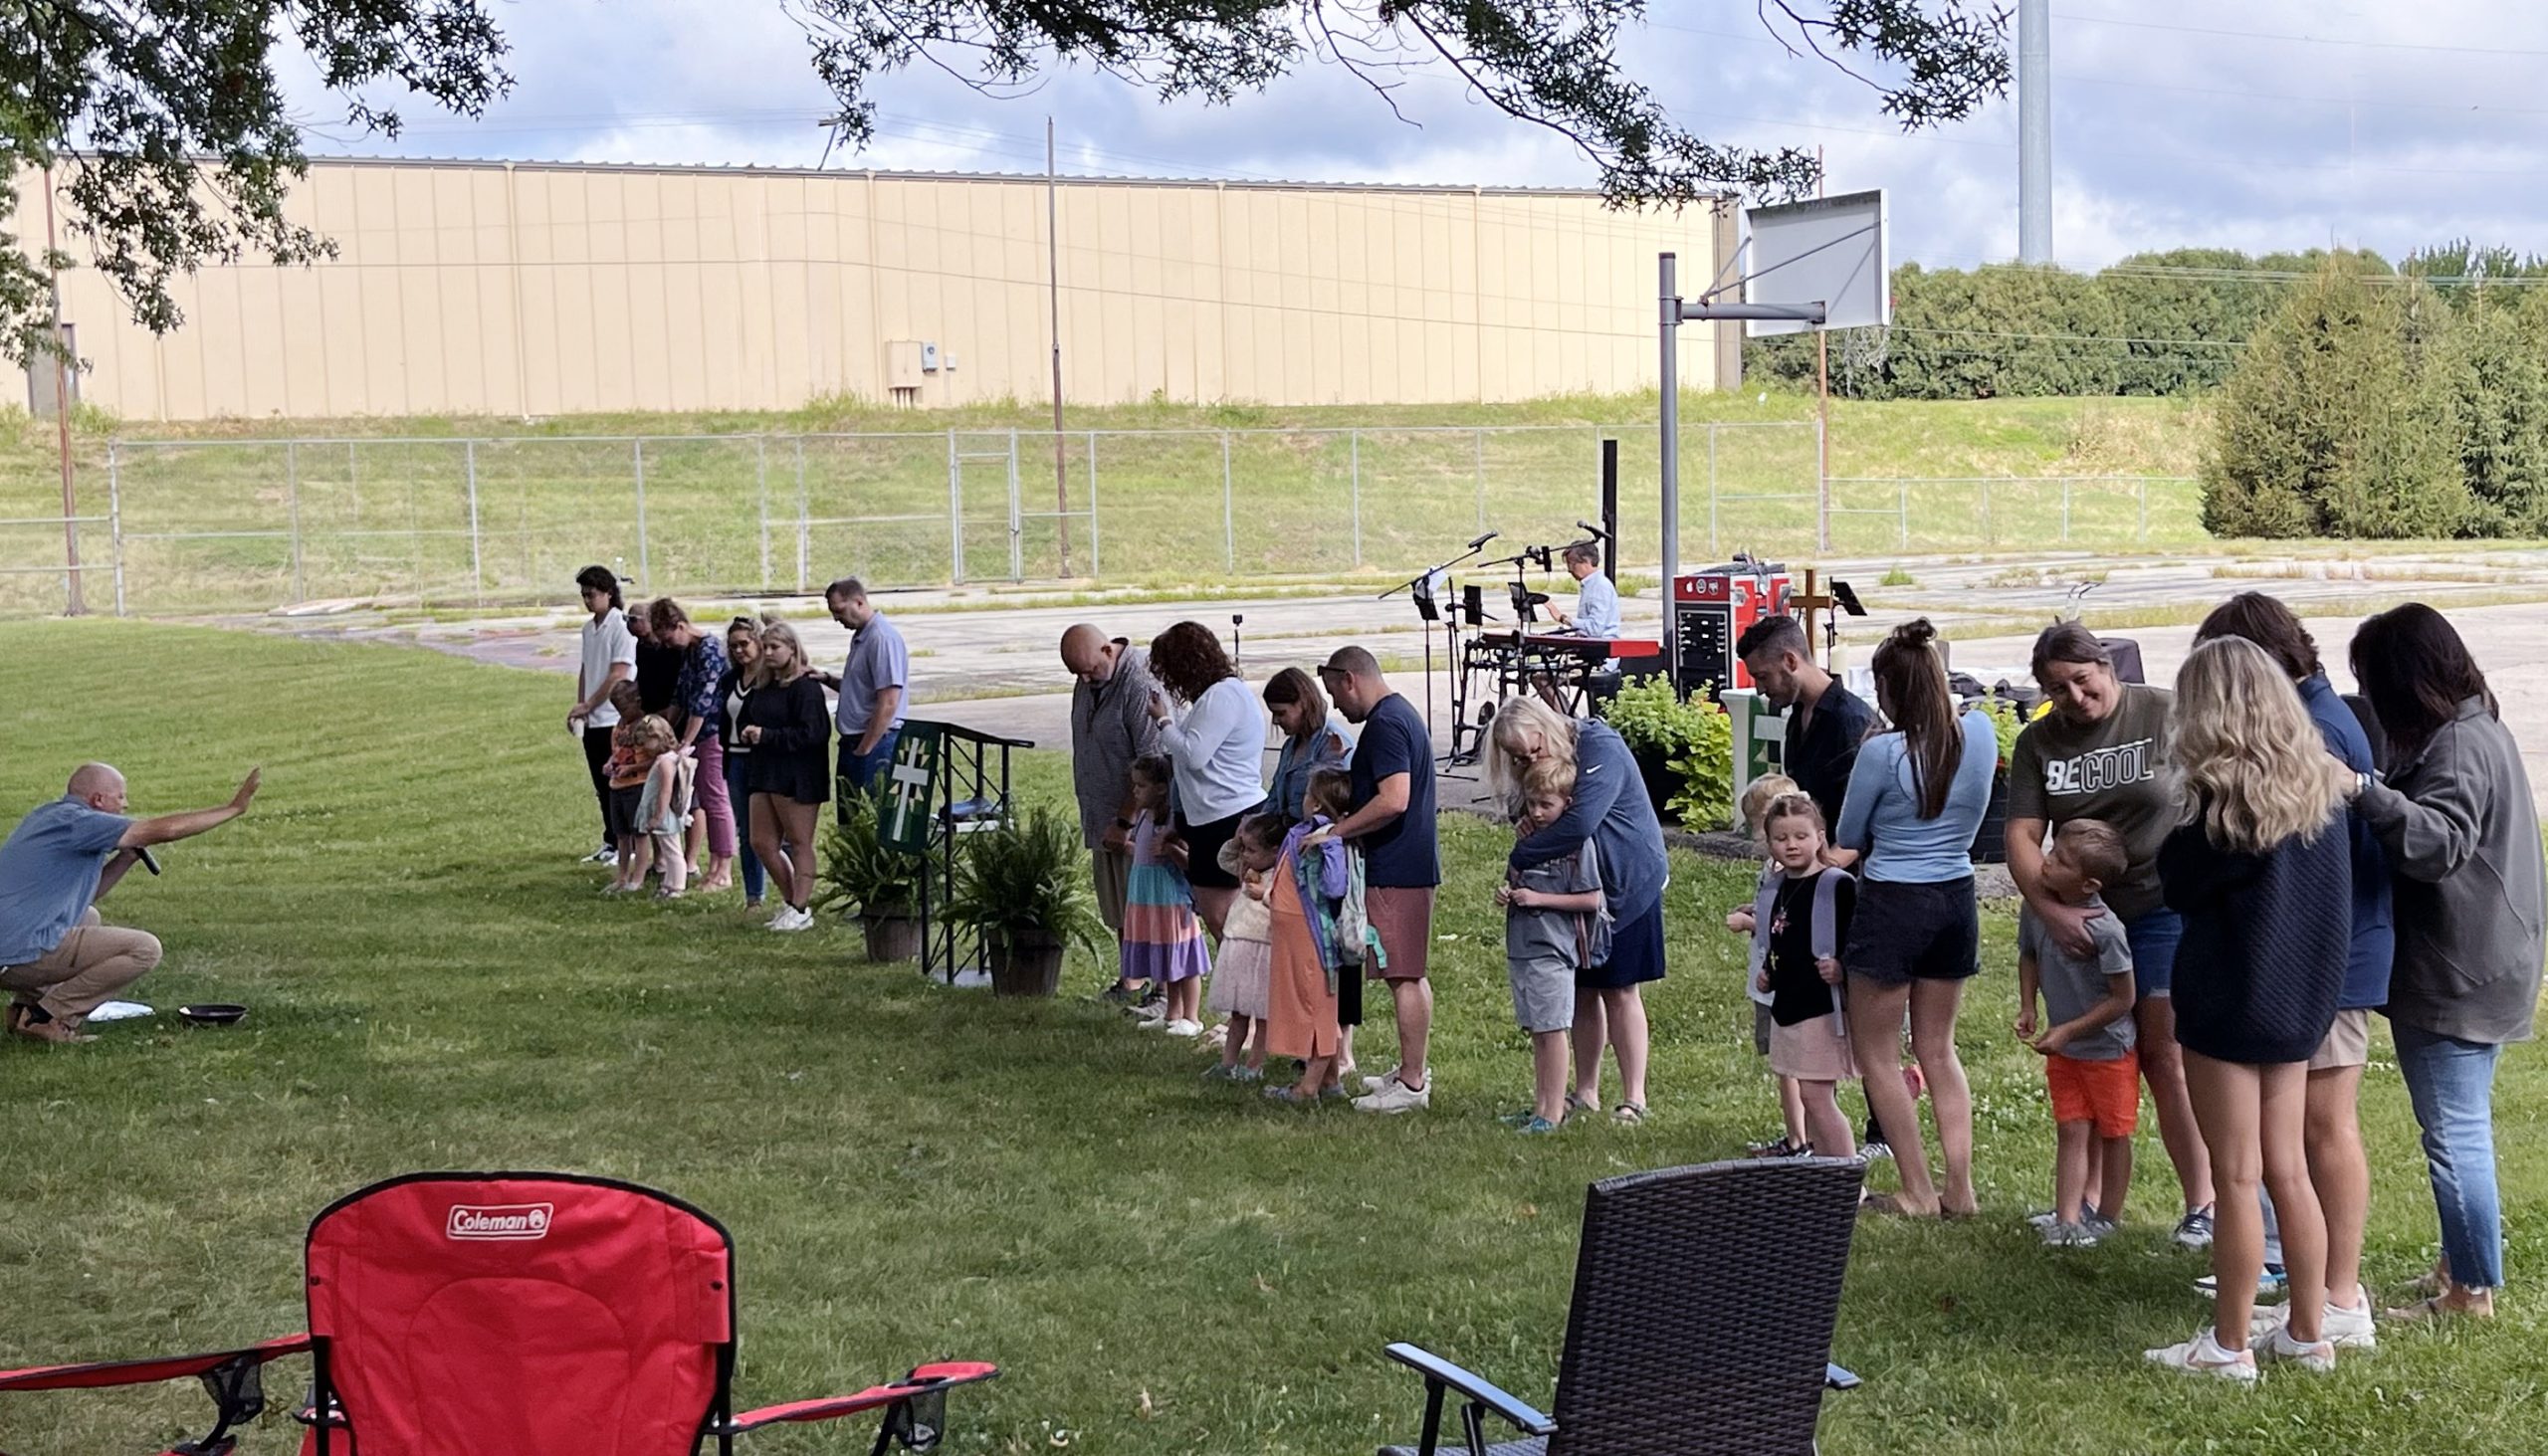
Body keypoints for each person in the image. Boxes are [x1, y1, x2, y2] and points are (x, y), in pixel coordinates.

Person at [2146, 636, 2354, 1381]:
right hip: (2300, 1003)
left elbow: (2177, 884)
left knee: (2236, 1176)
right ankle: (2308, 1330)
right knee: (2287, 1167)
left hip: (2229, 1003)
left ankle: (2228, 1344)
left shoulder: (2220, 810)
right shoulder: (2323, 789)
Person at [2195, 592, 2391, 1341]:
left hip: (2271, 984)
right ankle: (2315, 1319)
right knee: (2290, 1160)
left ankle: (2286, 1320)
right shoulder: (2321, 735)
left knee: (2270, 1160)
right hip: (2310, 978)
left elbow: (2195, 879)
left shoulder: (2295, 748)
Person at [2348, 603, 2545, 1324]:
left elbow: (2437, 845)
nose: (2367, 697)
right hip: (2495, 958)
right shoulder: (2475, 726)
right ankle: (2459, 1264)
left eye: (2371, 681)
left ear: (2405, 679)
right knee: (2466, 1123)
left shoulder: (2459, 745)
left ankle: (2471, 1292)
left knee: (2454, 1132)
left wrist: (2366, 794)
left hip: (2457, 970)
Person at [2007, 621, 2217, 1250]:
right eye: (2055, 688)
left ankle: (2201, 1200)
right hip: (2086, 919)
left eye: (2081, 678)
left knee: (2164, 1054)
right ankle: (2091, 1204)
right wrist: (2050, 911)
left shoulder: (2162, 711)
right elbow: (2020, 835)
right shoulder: (2038, 742)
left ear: (2106, 666)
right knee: (2091, 1053)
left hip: (2160, 906)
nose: (2073, 696)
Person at [1835, 619, 1997, 1219]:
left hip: (1894, 901)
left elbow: (1851, 834)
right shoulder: (1979, 733)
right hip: (1955, 896)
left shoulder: (1882, 751)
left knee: (1877, 1053)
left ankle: (1917, 1191)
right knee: (1939, 1048)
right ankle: (1961, 1188)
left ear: (1891, 688)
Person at [1487, 696, 1670, 1124]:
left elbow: (1581, 821)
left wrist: (1522, 855)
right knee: (1584, 990)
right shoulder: (1542, 760)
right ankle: (1585, 1091)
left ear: (1546, 726)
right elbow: (1534, 805)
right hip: (1579, 888)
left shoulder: (1599, 746)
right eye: (1519, 757)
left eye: (1533, 749)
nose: (1530, 760)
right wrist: (1527, 822)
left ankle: (1634, 1097)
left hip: (1627, 881)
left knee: (1621, 990)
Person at [1, 764, 261, 1045]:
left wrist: (125, 859)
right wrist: (233, 808)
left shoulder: (50, 816)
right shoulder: (82, 823)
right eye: (121, 797)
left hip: (11, 940)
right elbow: (168, 829)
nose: (126, 805)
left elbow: (82, 896)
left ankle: (22, 1012)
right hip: (14, 952)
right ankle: (47, 1018)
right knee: (144, 949)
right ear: (98, 800)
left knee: (87, 916)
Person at [1319, 647, 1442, 1116]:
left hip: (1399, 867)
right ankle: (1410, 1070)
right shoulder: (1396, 717)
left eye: (1334, 692)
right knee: (1404, 972)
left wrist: (1338, 831)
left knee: (1403, 975)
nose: (1335, 706)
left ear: (1351, 679)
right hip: (1404, 864)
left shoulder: (1387, 724)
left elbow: (1394, 800)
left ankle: (1412, 1084)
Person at [2017, 819, 2137, 1248]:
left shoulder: (2107, 931)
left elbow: (2123, 999)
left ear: (2088, 884)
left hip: (2108, 1050)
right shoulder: (2036, 908)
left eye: (2061, 860)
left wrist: (2069, 1029)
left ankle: (2107, 1216)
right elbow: (2028, 955)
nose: (2047, 861)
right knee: (2070, 1128)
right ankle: (2067, 1220)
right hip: (2064, 1049)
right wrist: (2029, 1005)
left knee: (2114, 1131)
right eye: (2052, 851)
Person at [1496, 756, 1609, 1135]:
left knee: (1553, 1029)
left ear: (1568, 804)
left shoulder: (1579, 847)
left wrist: (1538, 899)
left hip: (1553, 948)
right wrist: (1508, 893)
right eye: (1532, 804)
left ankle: (1553, 1112)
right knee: (1538, 1031)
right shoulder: (1529, 839)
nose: (1538, 813)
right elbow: (1517, 878)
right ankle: (1540, 1104)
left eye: (1547, 804)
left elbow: (1592, 899)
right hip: (1522, 946)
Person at [1748, 793, 1857, 1160]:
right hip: (1788, 1005)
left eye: (1800, 836)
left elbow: (1859, 942)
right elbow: (1785, 940)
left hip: (1821, 1009)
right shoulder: (1776, 888)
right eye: (1781, 838)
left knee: (1816, 1096)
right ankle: (1824, 1172)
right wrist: (1769, 974)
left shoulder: (1836, 886)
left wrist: (1842, 967)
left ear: (1820, 837)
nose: (1791, 845)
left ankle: (1846, 1179)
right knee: (1809, 1098)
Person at [1061, 625, 1163, 999]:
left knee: (1147, 904)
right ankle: (1131, 977)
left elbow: (1152, 761)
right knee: (1118, 907)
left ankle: (1163, 985)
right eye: (1077, 675)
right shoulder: (1088, 678)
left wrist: (1126, 820)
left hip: (1133, 822)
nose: (1085, 679)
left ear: (1108, 650)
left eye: (1089, 670)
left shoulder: (1137, 683)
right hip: (1100, 816)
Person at [1147, 622, 1266, 940]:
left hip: (1224, 816)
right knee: (1221, 914)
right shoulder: (1218, 696)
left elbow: (1193, 755)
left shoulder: (1221, 696)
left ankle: (1242, 980)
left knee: (1223, 916)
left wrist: (1163, 721)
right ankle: (1240, 980)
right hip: (1211, 816)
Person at [1263, 770, 1367, 1107]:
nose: (1302, 800)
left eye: (1308, 794)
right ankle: (1330, 1081)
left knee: (1315, 1006)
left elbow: (1334, 886)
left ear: (1318, 802)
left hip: (1309, 935)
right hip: (1291, 931)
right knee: (1306, 1001)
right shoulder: (1301, 831)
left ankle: (1307, 1088)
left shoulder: (1325, 836)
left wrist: (1331, 844)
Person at [1729, 772, 1813, 1158]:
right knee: (1786, 1064)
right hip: (1772, 977)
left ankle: (1800, 1140)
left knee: (1790, 1065)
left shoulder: (1788, 871)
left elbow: (1788, 924)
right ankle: (1799, 1136)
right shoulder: (1776, 868)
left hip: (1781, 980)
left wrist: (1749, 923)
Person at [1737, 613, 1876, 835]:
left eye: (1763, 676)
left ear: (1791, 661)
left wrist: (1828, 863)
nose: (1759, 689)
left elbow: (1864, 816)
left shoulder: (1851, 721)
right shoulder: (1798, 713)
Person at [737, 621, 832, 933]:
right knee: (760, 841)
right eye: (764, 647)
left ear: (792, 648)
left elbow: (814, 734)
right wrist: (750, 732)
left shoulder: (805, 687)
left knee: (799, 841)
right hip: (764, 770)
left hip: (798, 773)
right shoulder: (763, 685)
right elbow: (748, 716)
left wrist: (769, 736)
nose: (768, 653)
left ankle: (801, 906)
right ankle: (793, 902)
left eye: (775, 647)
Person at [649, 599, 736, 894]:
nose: (668, 644)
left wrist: (685, 742)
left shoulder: (709, 649)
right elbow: (681, 696)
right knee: (705, 798)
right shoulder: (690, 651)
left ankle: (722, 868)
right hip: (696, 735)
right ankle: (712, 867)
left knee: (715, 799)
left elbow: (702, 702)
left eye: (669, 636)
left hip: (711, 734)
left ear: (682, 626)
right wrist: (660, 726)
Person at [1120, 755, 1209, 1037]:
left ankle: (1192, 1017)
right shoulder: (1145, 815)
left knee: (1183, 956)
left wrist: (1170, 850)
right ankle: (1173, 1012)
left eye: (1141, 786)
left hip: (1170, 896)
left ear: (1161, 788)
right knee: (1166, 952)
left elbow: (1189, 860)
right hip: (1147, 896)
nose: (1135, 791)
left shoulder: (1173, 820)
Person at [1205, 815, 1284, 1083]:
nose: (1246, 856)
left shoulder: (1279, 876)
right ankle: (1228, 1063)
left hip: (1262, 947)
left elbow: (1281, 905)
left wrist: (1263, 894)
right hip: (1238, 944)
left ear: (1274, 851)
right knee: (1238, 1014)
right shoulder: (1246, 869)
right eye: (1245, 850)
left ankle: (1254, 1065)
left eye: (1252, 850)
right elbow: (1224, 859)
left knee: (1263, 1016)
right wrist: (1239, 840)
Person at [567, 565, 637, 865]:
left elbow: (617, 673)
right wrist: (580, 706)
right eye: (584, 595)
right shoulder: (588, 628)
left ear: (609, 593)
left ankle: (628, 843)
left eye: (592, 594)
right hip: (594, 717)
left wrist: (592, 704)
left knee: (618, 782)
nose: (587, 600)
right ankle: (610, 839)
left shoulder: (620, 626)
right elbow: (587, 669)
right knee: (600, 783)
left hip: (613, 716)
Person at [818, 577, 909, 802]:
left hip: (875, 743)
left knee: (875, 820)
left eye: (839, 610)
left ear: (858, 602)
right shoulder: (862, 636)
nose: (836, 619)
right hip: (854, 742)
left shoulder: (881, 638)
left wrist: (865, 748)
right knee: (852, 823)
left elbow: (888, 701)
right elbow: (859, 690)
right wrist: (826, 679)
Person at [718, 616, 768, 911]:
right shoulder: (729, 680)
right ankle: (754, 896)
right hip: (736, 759)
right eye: (733, 645)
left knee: (774, 831)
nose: (738, 651)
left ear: (758, 642)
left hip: (763, 760)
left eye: (744, 644)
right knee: (747, 831)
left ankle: (795, 893)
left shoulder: (770, 679)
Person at [1262, 667, 1356, 821]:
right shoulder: (1290, 746)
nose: (1275, 721)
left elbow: (1334, 805)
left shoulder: (1333, 744)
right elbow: (1274, 799)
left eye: (1281, 713)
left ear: (1303, 703)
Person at [629, 716, 693, 899]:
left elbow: (665, 791)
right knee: (667, 849)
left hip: (665, 815)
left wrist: (658, 816)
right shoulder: (663, 759)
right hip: (661, 814)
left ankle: (678, 886)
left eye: (646, 743)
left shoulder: (666, 762)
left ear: (658, 739)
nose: (643, 748)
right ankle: (668, 883)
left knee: (672, 851)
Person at [602, 684, 654, 892]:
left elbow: (655, 759)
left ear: (637, 702)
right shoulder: (619, 727)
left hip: (637, 786)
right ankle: (621, 877)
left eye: (624, 709)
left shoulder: (646, 727)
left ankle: (638, 878)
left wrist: (632, 768)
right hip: (617, 786)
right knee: (622, 835)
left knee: (639, 834)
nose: (621, 714)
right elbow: (617, 752)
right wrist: (610, 763)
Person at [1548, 541, 1619, 638]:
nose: (1569, 570)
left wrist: (1564, 619)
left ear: (1586, 561)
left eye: (1572, 564)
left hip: (1601, 648)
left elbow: (1595, 629)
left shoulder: (1600, 586)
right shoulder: (1590, 585)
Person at [628, 599, 684, 719]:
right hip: (649, 707)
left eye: (633, 619)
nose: (630, 623)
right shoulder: (641, 645)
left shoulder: (671, 646)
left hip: (670, 707)